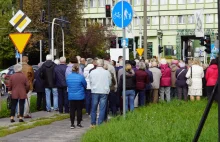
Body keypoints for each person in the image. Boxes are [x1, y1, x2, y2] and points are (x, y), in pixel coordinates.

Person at [89, 59, 111, 127]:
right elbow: (109, 82)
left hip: (95, 91)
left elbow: (90, 81)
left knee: (94, 107)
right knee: (102, 108)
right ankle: (100, 122)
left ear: (96, 64)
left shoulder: (92, 72)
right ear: (103, 64)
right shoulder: (107, 72)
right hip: (104, 91)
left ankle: (93, 123)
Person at [66, 65, 87, 129]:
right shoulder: (81, 77)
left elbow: (67, 84)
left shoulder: (68, 77)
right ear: (78, 70)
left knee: (72, 110)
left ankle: (72, 124)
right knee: (79, 109)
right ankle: (79, 123)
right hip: (79, 95)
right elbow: (85, 85)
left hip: (71, 95)